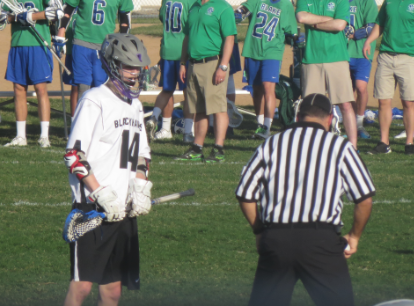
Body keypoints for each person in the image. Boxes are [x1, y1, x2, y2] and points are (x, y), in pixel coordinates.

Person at [236, 93, 375, 306]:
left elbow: (245, 193)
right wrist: (354, 236)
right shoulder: (340, 146)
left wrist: (260, 230)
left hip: (277, 239)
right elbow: (364, 198)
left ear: (298, 117)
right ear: (330, 119)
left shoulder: (272, 143)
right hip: (321, 241)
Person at [62, 33, 152, 306]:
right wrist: (100, 193)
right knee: (82, 288)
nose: (135, 74)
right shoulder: (94, 100)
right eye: (128, 67)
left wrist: (139, 188)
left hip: (122, 211)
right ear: (112, 65)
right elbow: (74, 156)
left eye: (137, 68)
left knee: (112, 291)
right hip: (93, 211)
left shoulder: (135, 105)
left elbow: (142, 156)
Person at [176, 0, 237, 163]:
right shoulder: (194, 7)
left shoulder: (223, 7)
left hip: (212, 63)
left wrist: (223, 66)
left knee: (218, 107)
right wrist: (183, 63)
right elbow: (187, 37)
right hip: (193, 64)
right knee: (198, 108)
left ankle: (218, 149)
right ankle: (197, 148)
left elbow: (229, 39)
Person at [296, 0, 359, 149]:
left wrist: (315, 23)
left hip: (337, 57)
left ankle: (353, 147)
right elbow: (302, 18)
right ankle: (312, 145)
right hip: (312, 58)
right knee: (311, 106)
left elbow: (339, 25)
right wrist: (329, 20)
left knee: (345, 104)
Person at [1, 1, 63, 147]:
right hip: (18, 44)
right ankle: (21, 136)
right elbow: (2, 16)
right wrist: (17, 18)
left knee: (40, 88)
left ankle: (44, 136)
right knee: (19, 89)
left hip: (38, 45)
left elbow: (56, 11)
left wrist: (32, 16)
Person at [236, 0, 297, 139]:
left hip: (272, 52)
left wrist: (293, 37)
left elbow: (291, 31)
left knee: (268, 88)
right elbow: (244, 8)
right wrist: (239, 12)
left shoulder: (285, 5)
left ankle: (267, 128)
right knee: (256, 89)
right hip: (253, 49)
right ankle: (259, 124)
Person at [363, 0, 414, 155]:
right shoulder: (388, 2)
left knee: (408, 102)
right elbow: (380, 23)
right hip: (385, 56)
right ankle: (384, 143)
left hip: (408, 57)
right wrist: (369, 41)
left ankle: (409, 143)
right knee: (383, 101)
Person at [56, 0, 134, 100]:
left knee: (100, 87)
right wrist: (60, 33)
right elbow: (68, 9)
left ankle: (99, 114)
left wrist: (123, 41)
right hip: (82, 41)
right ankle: (83, 114)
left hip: (105, 45)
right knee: (82, 87)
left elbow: (125, 19)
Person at [145, 0, 197, 143]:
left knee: (167, 91)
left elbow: (163, 16)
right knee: (189, 93)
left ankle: (159, 121)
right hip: (184, 51)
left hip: (167, 50)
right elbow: (194, 22)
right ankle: (188, 130)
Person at [345, 0, 377, 139]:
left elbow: (371, 27)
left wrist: (352, 35)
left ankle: (359, 123)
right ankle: (351, 123)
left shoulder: (368, 2)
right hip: (344, 52)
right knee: (346, 90)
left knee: (361, 87)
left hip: (362, 52)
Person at [57, 6, 78, 120]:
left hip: (89, 44)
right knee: (75, 87)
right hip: (72, 47)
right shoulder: (69, 5)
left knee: (95, 86)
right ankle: (74, 120)